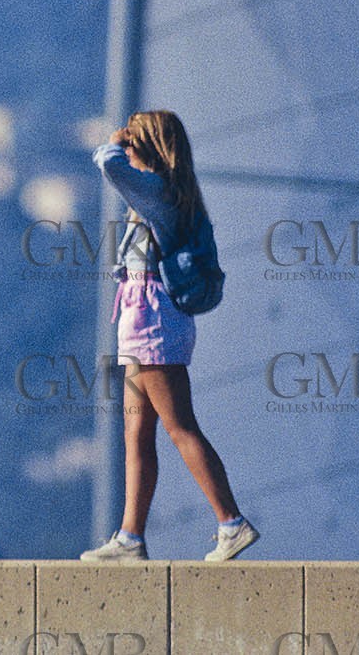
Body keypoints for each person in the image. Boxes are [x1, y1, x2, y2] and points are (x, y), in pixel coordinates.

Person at [80, 109, 258, 563]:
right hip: (139, 319)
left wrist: (118, 140)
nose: (126, 146)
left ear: (147, 145)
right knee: (137, 434)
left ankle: (231, 523)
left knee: (180, 427)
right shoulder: (158, 196)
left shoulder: (159, 191)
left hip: (153, 319)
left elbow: (105, 162)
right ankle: (130, 537)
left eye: (134, 139)